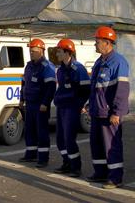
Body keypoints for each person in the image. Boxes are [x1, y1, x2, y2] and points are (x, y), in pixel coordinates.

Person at [87, 26, 130, 189]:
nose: (94, 44)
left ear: (107, 43)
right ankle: (100, 173)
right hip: (97, 111)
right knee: (96, 144)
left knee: (112, 146)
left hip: (109, 114)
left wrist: (117, 112)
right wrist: (89, 105)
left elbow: (122, 90)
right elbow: (95, 88)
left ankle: (115, 178)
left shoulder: (118, 62)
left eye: (97, 41)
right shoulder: (100, 61)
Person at [53, 39, 90, 177]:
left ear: (67, 52)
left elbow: (86, 90)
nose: (57, 54)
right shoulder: (60, 70)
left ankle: (75, 167)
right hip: (62, 107)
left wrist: (79, 106)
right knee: (60, 139)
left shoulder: (78, 69)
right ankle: (66, 162)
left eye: (59, 51)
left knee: (69, 138)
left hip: (71, 109)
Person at [19, 39, 56, 168]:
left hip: (40, 105)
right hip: (29, 103)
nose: (31, 53)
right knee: (29, 129)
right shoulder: (29, 66)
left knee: (42, 131)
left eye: (33, 51)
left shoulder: (47, 66)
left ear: (41, 51)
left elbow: (51, 87)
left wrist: (45, 103)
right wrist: (21, 99)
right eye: (30, 51)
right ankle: (31, 154)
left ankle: (43, 158)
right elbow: (24, 83)